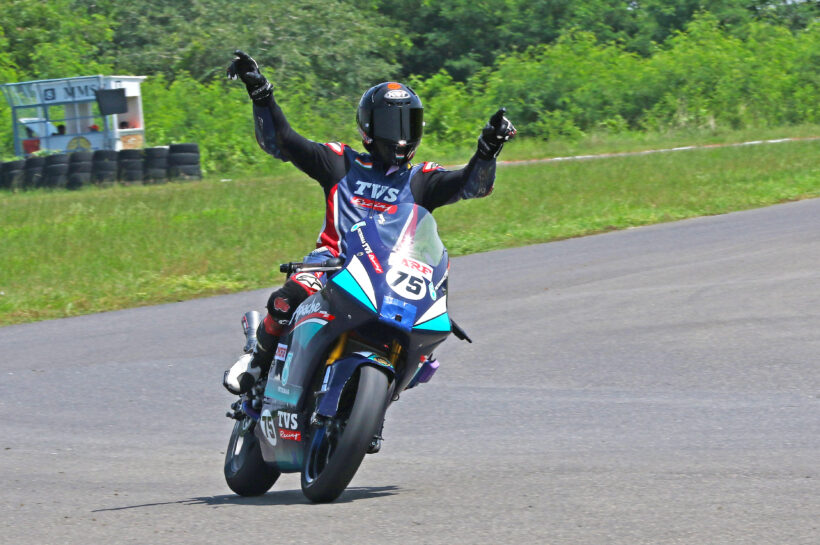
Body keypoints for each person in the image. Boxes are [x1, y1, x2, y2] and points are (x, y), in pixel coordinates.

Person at [222, 50, 516, 396]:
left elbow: (474, 185)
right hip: (331, 266)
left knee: (425, 349)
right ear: (368, 129)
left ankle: (371, 400)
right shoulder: (338, 162)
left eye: (409, 124)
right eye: (392, 126)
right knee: (287, 298)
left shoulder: (423, 179)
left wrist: (487, 149)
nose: (401, 136)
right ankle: (256, 363)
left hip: (390, 277)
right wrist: (262, 95)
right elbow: (282, 142)